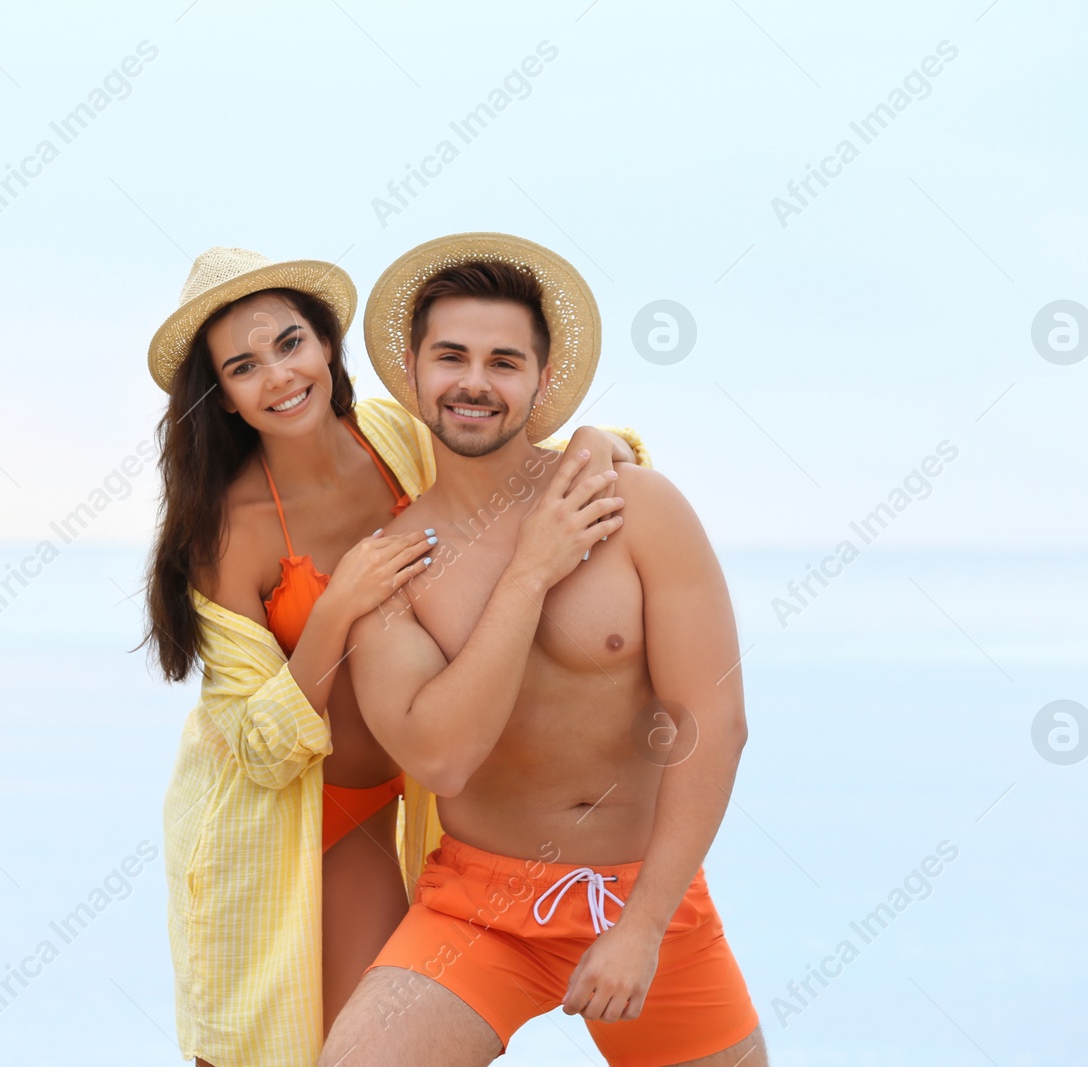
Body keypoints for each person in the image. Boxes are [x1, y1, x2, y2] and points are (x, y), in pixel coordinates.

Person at [138, 245, 651, 1067]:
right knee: (260, 1044)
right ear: (224, 399)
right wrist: (335, 609)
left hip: (385, 802)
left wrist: (601, 441)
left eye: (290, 343)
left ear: (327, 346)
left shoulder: (396, 435)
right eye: (243, 366)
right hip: (281, 819)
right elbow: (259, 745)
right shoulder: (229, 532)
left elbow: (525, 464)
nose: (277, 375)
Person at [319, 234, 769, 1066]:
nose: (475, 382)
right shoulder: (390, 567)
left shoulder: (635, 505)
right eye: (451, 356)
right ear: (413, 373)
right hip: (477, 910)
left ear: (541, 379)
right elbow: (443, 758)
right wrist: (530, 572)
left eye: (504, 361)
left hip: (651, 899)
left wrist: (641, 929)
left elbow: (714, 718)